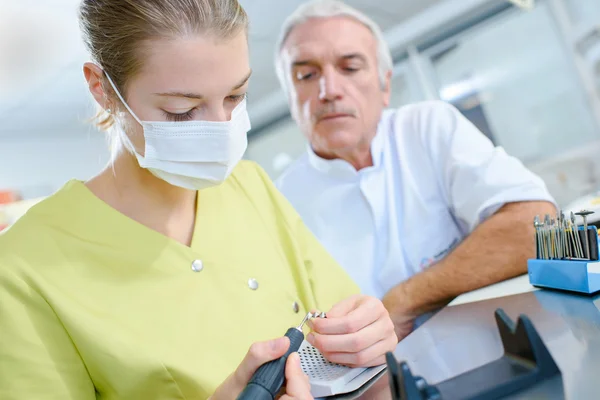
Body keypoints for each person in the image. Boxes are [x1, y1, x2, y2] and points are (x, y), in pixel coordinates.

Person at [0, 1, 398, 399]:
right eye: (183, 111)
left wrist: (367, 337)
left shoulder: (249, 185)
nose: (221, 130)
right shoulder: (22, 268)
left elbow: (357, 361)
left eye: (235, 97)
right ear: (102, 89)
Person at [273, 0, 557, 340]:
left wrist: (405, 299)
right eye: (306, 75)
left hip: (503, 349)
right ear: (291, 97)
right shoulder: (279, 203)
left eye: (350, 67)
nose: (329, 90)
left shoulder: (427, 127)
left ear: (385, 86)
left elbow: (536, 226)